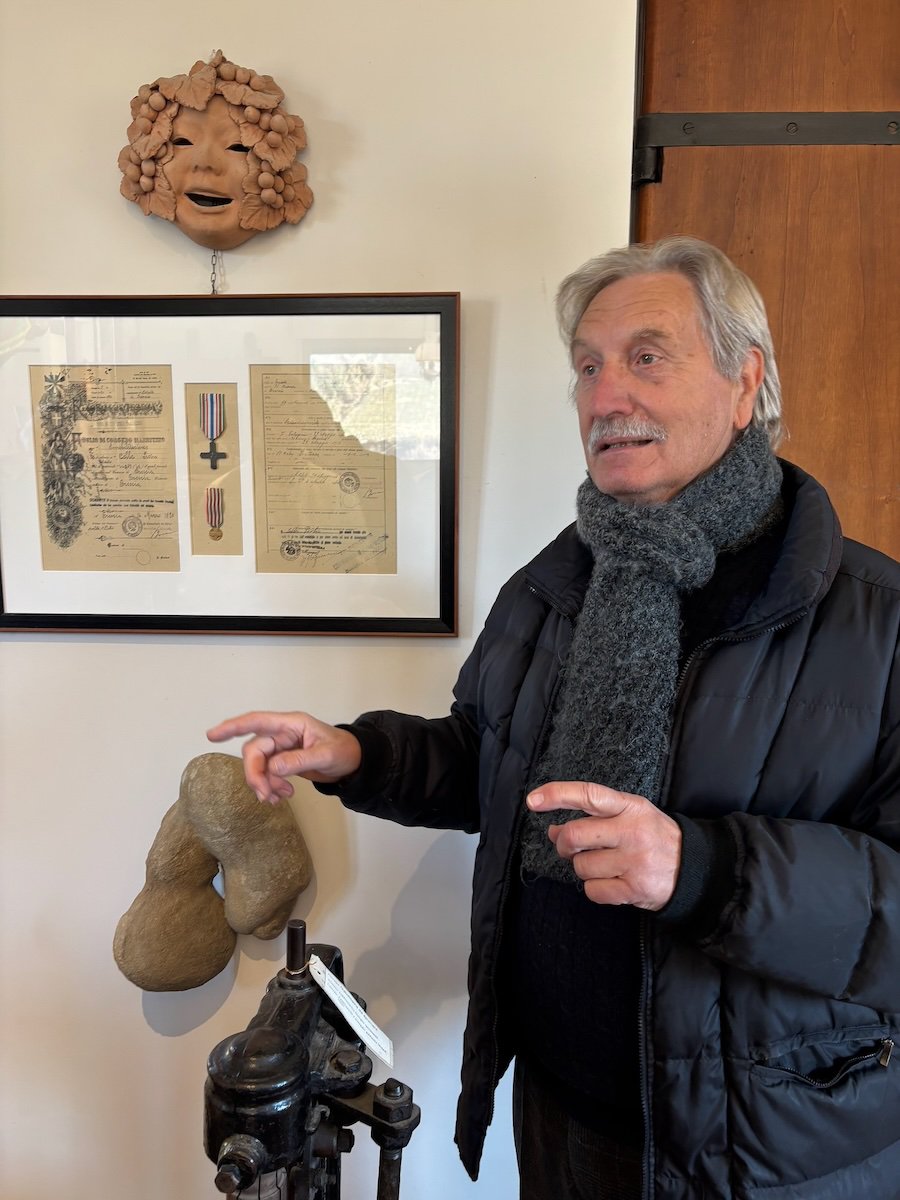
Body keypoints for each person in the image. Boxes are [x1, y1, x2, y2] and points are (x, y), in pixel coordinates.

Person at [208, 237, 900, 1199]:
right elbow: (491, 763)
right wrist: (357, 753)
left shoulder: (877, 622)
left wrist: (704, 870)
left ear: (745, 382)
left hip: (764, 1151)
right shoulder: (556, 585)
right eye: (587, 367)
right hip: (559, 1119)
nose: (606, 396)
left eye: (646, 357)